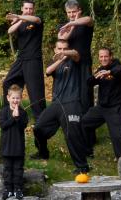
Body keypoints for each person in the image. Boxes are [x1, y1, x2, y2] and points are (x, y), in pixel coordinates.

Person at [31, 37, 90, 175]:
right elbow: (48, 71)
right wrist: (59, 59)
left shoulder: (74, 60)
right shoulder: (55, 62)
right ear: (55, 49)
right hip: (56, 103)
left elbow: (76, 54)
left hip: (72, 103)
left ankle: (82, 166)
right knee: (38, 128)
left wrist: (65, 54)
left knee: (72, 135)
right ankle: (43, 152)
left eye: (65, 48)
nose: (62, 51)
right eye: (59, 48)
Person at [81, 47, 121, 160]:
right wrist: (94, 77)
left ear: (111, 57)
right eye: (101, 56)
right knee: (84, 123)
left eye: (106, 56)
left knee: (117, 135)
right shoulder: (100, 69)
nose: (103, 59)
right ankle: (87, 151)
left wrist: (109, 72)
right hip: (102, 107)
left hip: (116, 107)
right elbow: (90, 82)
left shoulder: (118, 67)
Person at [3, 0, 46, 121]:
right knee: (8, 83)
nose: (28, 11)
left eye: (31, 9)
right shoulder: (20, 22)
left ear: (34, 10)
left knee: (35, 91)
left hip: (33, 60)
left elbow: (36, 19)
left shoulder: (37, 20)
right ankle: (9, 112)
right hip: (21, 59)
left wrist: (19, 17)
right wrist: (20, 20)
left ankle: (41, 120)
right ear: (22, 8)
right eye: (26, 8)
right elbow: (10, 31)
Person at [0, 85, 28, 200]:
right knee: (7, 169)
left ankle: (17, 189)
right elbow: (3, 125)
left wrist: (17, 117)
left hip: (18, 147)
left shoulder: (23, 113)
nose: (15, 100)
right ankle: (8, 189)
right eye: (13, 98)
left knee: (18, 169)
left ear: (21, 99)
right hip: (6, 146)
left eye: (18, 98)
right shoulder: (4, 111)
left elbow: (22, 126)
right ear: (8, 98)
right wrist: (12, 118)